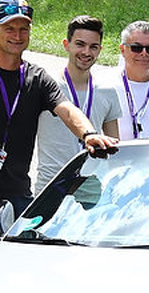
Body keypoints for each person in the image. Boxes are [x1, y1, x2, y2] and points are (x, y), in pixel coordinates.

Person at [0, 0, 117, 216]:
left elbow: (67, 109)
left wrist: (89, 134)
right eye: (9, 28)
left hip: (17, 196)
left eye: (24, 29)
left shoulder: (37, 78)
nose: (17, 36)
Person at [35, 16, 121, 195]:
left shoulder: (107, 90)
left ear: (100, 50)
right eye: (80, 44)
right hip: (51, 186)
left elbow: (115, 144)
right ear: (67, 45)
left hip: (92, 187)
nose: (86, 52)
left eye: (93, 47)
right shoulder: (47, 86)